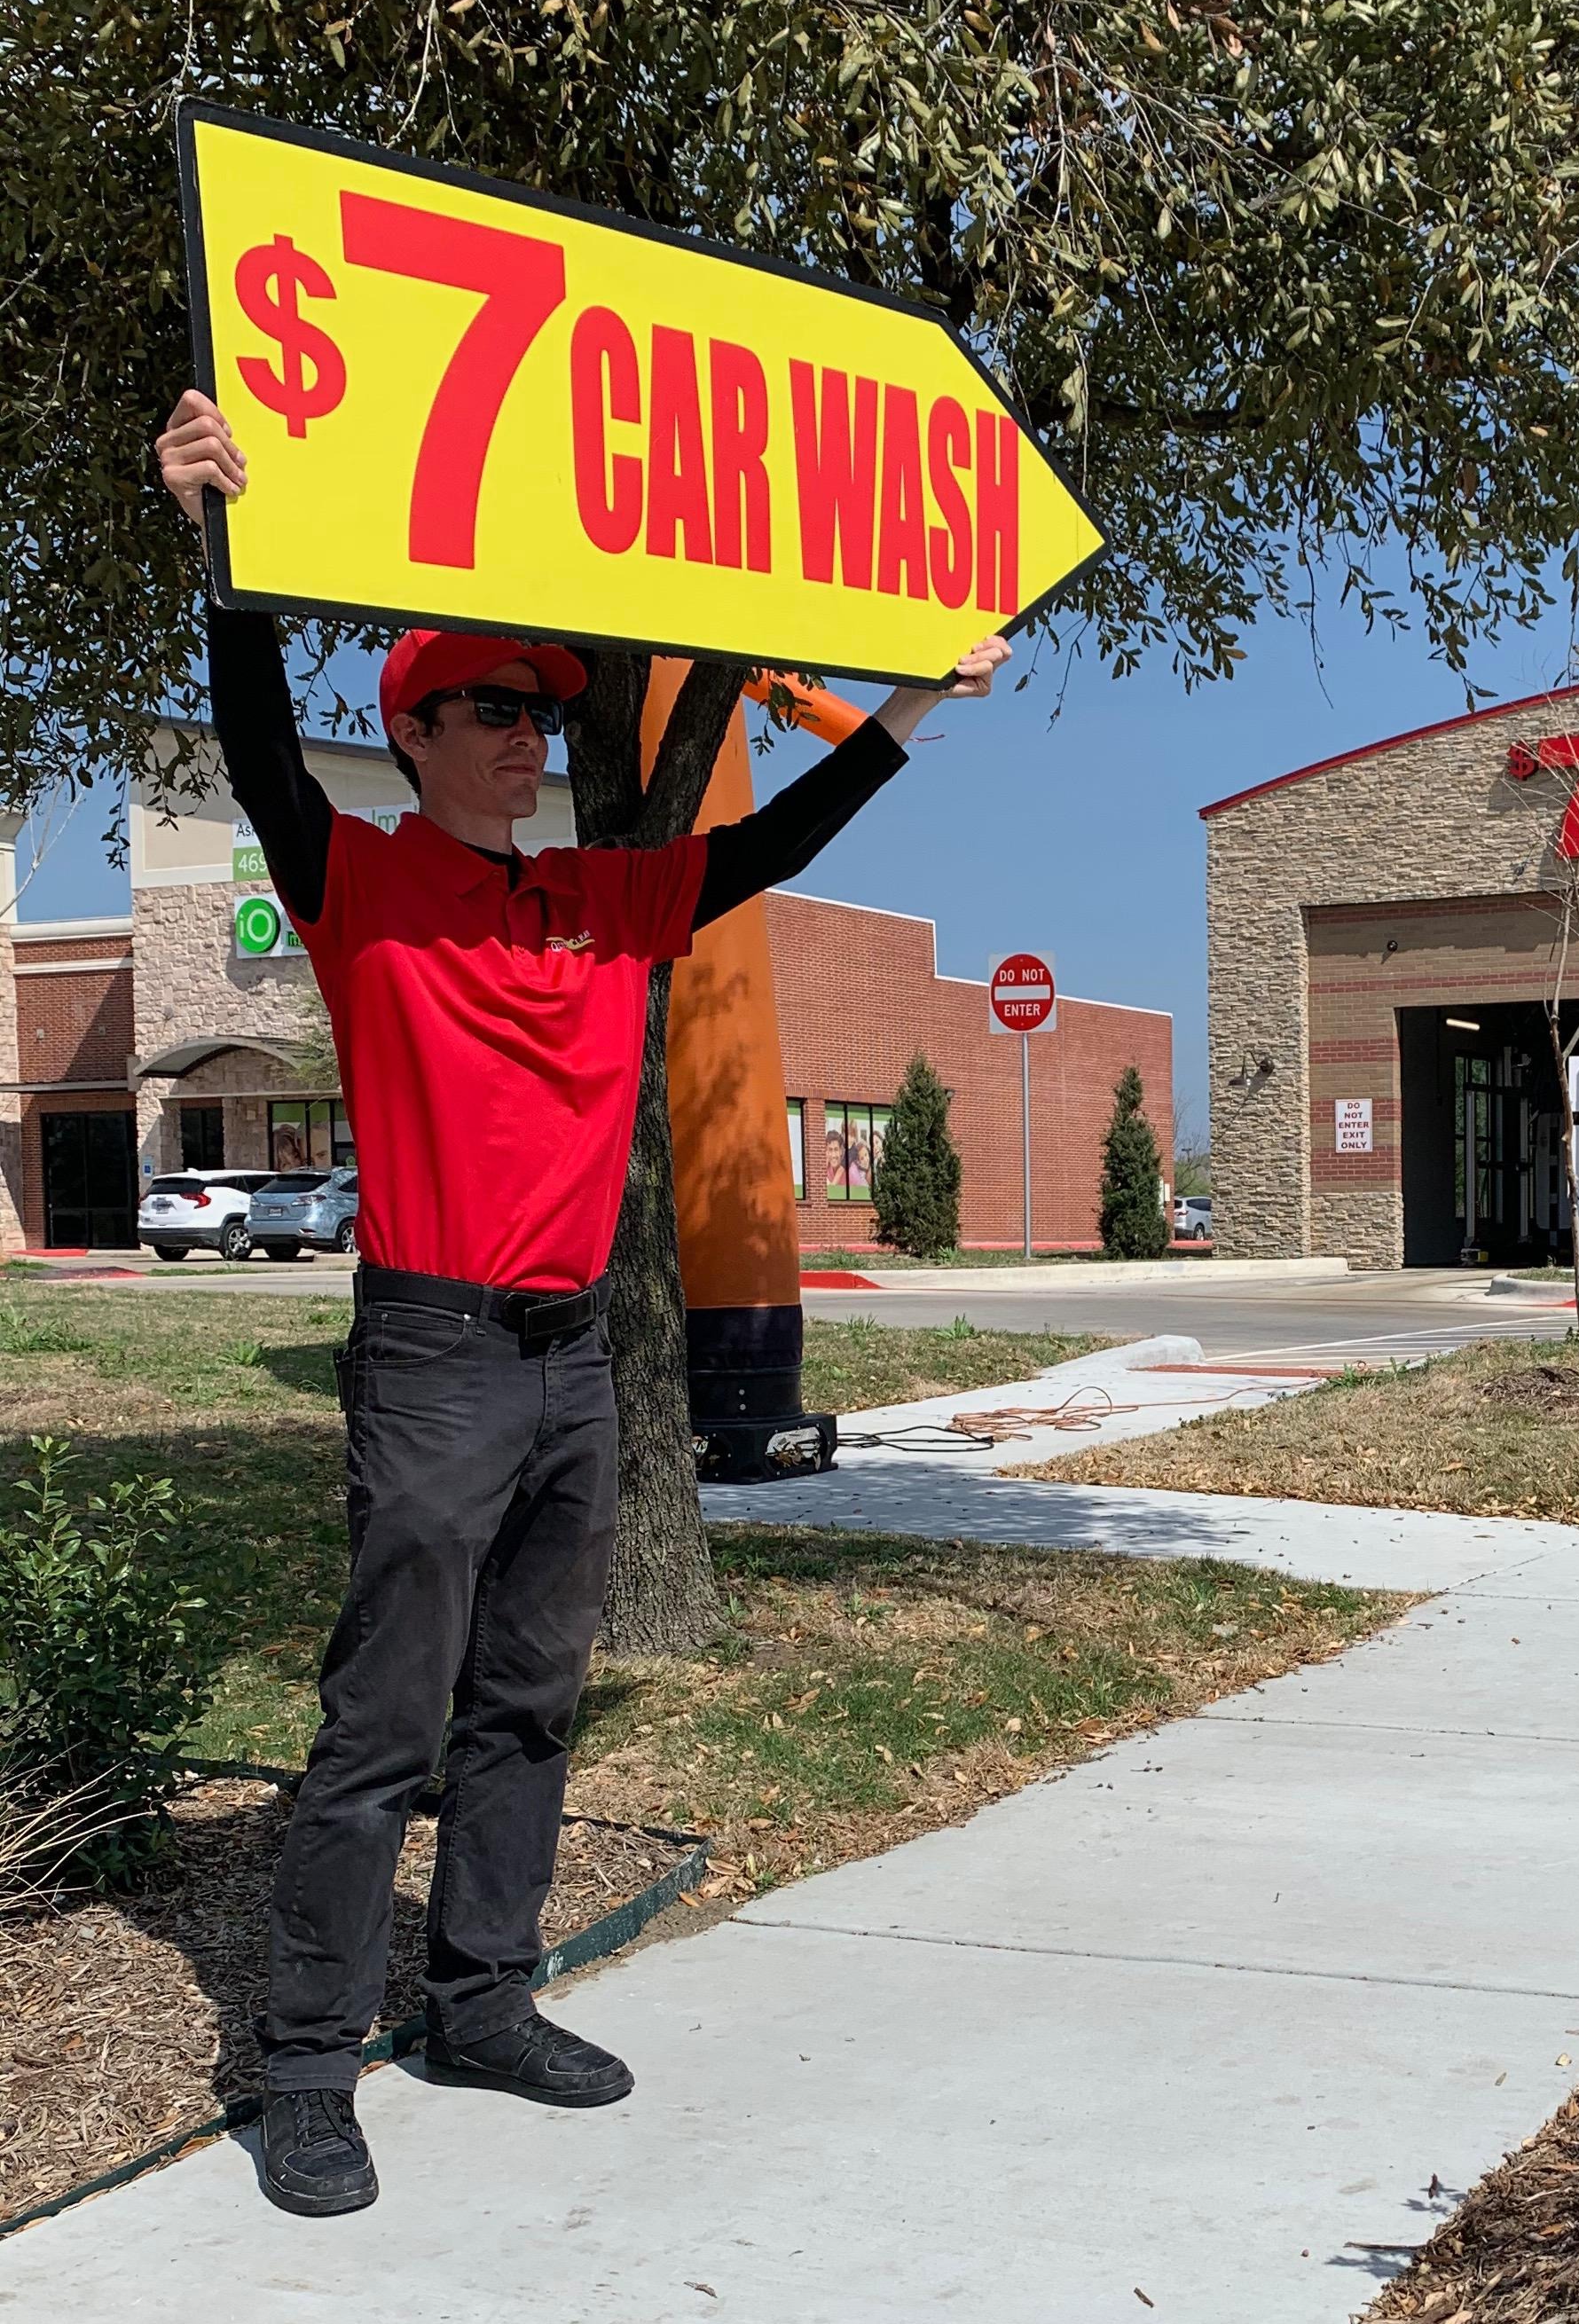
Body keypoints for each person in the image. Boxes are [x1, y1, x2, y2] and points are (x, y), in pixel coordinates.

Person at [156, 388, 1009, 2218]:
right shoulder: (356, 881)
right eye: (490, 705)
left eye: (541, 707)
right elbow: (249, 751)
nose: (525, 729)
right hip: (435, 1350)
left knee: (530, 1700)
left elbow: (779, 848)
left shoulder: (608, 899)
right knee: (386, 1719)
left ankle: (479, 2001)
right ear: (417, 727)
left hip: (566, 1369)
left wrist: (916, 696)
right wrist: (225, 553)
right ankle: (305, 2067)